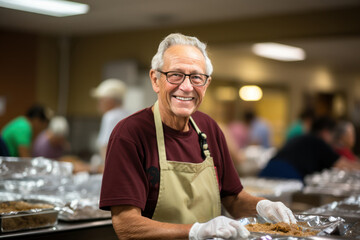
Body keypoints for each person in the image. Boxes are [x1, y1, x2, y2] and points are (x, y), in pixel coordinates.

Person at [100, 33, 296, 240]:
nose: (186, 87)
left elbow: (232, 198)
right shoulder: (130, 134)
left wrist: (262, 206)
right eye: (175, 74)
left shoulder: (208, 128)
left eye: (196, 77)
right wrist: (194, 231)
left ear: (206, 84)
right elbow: (126, 225)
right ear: (155, 80)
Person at [259, 116, 360, 182]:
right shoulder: (319, 143)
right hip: (287, 175)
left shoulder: (301, 137)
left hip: (268, 169)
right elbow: (344, 165)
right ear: (325, 132)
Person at [91, 78, 130, 172]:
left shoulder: (110, 116)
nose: (99, 104)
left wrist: (108, 170)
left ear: (110, 100)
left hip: (115, 169)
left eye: (101, 100)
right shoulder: (129, 114)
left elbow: (106, 147)